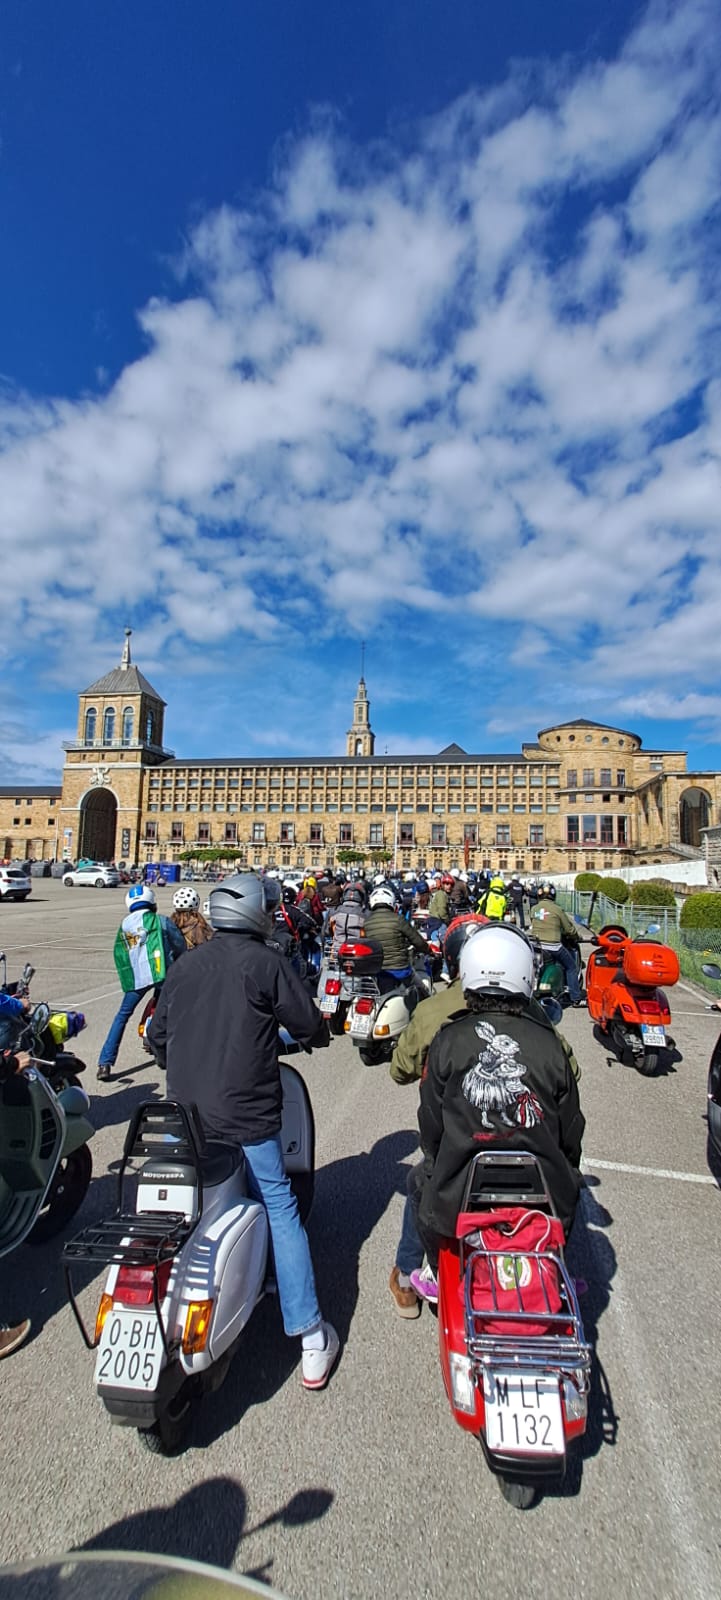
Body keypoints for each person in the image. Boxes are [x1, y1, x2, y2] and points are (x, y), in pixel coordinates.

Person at [147, 872, 339, 1390]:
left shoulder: (186, 964)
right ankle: (309, 1335)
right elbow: (308, 1024)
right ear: (257, 912)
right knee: (279, 1203)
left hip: (184, 1117)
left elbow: (157, 1037)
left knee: (177, 1207)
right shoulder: (265, 962)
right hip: (247, 1117)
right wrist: (319, 1033)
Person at [408, 924, 585, 1303]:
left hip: (461, 1187)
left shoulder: (448, 1038)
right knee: (572, 1188)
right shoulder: (549, 1042)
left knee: (419, 1184)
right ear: (525, 975)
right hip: (541, 1189)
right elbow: (571, 1127)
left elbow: (431, 1122)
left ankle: (438, 1271)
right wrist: (567, 1167)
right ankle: (556, 1268)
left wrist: (436, 1161)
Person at [388, 914, 488, 1317]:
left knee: (421, 1183)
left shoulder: (434, 1010)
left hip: (453, 1146)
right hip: (523, 1143)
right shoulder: (529, 1010)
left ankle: (408, 1279)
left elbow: (400, 1070)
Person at [96, 884, 186, 1081]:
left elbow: (121, 953)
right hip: (162, 973)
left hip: (137, 976)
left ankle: (105, 1062)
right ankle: (164, 1051)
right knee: (169, 1012)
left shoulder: (125, 925)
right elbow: (180, 945)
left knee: (122, 1016)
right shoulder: (161, 921)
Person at [363, 884, 429, 992]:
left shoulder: (366, 923)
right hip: (400, 971)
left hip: (377, 973)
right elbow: (418, 942)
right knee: (423, 992)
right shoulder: (398, 919)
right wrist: (428, 950)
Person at [530, 883, 585, 1006]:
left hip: (537, 946)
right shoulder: (557, 909)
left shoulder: (534, 909)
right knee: (571, 967)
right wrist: (576, 937)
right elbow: (569, 929)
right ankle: (576, 998)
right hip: (553, 946)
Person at [328, 882, 366, 956]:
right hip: (356, 952)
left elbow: (327, 932)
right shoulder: (365, 914)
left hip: (337, 951)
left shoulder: (334, 911)